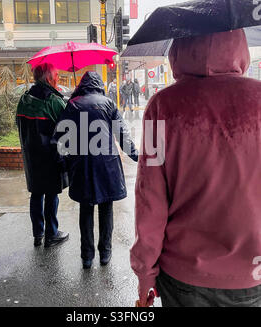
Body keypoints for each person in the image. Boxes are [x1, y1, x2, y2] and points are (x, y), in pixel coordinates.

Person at [130, 29, 261, 307]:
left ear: (178, 50)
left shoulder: (161, 107)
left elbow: (149, 200)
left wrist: (146, 275)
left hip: (184, 275)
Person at [52, 72, 138, 269]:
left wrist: (64, 164)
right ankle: (105, 252)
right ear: (99, 85)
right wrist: (138, 157)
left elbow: (59, 139)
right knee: (106, 208)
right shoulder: (108, 104)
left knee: (86, 208)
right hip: (107, 164)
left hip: (81, 165)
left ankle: (87, 256)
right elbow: (123, 136)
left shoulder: (72, 105)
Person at [16, 63, 69, 248]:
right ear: (48, 78)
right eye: (57, 74)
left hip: (31, 157)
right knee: (52, 194)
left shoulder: (24, 99)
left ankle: (38, 234)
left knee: (36, 193)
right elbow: (67, 127)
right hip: (50, 157)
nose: (58, 77)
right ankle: (51, 234)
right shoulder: (53, 101)